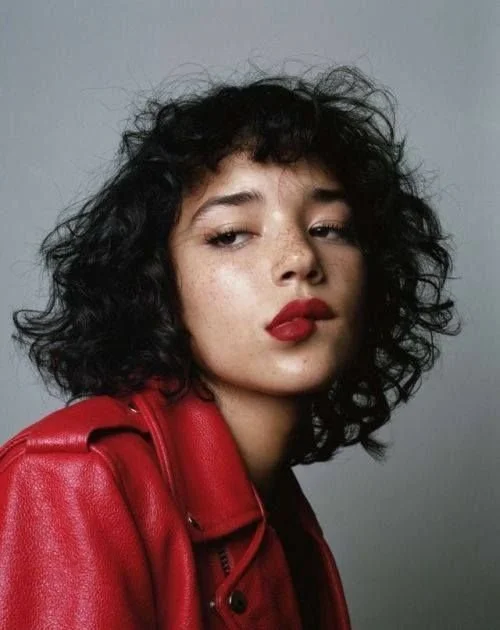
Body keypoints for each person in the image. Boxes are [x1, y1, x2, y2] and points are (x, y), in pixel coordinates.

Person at [1, 65, 461, 629]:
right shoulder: (72, 478)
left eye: (329, 228)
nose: (301, 258)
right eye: (230, 235)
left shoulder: (283, 516)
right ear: (155, 281)